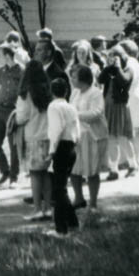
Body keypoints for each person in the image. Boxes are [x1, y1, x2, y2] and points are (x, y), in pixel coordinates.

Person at [15, 60, 53, 222]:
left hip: (32, 137)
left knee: (35, 175)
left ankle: (37, 209)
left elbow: (21, 118)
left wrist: (14, 118)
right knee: (46, 174)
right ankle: (48, 208)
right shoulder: (49, 92)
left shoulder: (25, 95)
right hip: (48, 137)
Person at [46, 77, 80, 236]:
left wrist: (51, 151)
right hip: (71, 147)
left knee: (59, 190)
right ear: (66, 92)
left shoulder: (53, 107)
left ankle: (61, 229)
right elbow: (77, 129)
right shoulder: (71, 107)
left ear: (51, 92)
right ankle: (72, 223)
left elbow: (56, 130)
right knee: (62, 188)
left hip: (60, 147)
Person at [69, 65, 106, 210]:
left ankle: (93, 203)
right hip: (76, 135)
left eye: (74, 76)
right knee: (73, 169)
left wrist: (75, 115)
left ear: (83, 78)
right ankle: (79, 199)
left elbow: (96, 113)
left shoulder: (95, 93)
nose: (71, 79)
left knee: (92, 170)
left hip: (92, 136)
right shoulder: (75, 93)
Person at [0, 44, 22, 187]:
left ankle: (14, 177)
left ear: (7, 56)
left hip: (13, 110)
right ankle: (5, 171)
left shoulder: (21, 70)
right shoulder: (1, 71)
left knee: (13, 144)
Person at [98, 45, 137, 177]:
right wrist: (108, 67)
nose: (111, 59)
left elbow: (123, 81)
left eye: (114, 57)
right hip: (108, 106)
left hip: (120, 107)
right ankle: (113, 169)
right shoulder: (110, 70)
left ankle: (133, 165)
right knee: (111, 138)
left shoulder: (128, 70)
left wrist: (118, 67)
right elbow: (100, 79)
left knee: (123, 138)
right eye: (109, 57)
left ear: (120, 57)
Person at [119, 38, 139, 174]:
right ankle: (136, 159)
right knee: (136, 131)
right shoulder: (136, 63)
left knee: (129, 132)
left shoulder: (129, 64)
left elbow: (127, 81)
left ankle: (131, 161)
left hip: (131, 97)